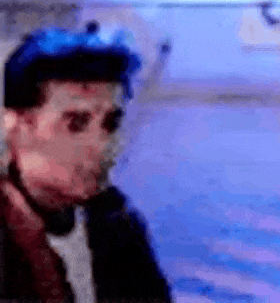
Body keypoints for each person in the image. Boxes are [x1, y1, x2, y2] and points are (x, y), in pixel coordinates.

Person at [0, 25, 171, 302]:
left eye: (110, 124)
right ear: (15, 125)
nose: (102, 145)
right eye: (76, 124)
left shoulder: (118, 224)